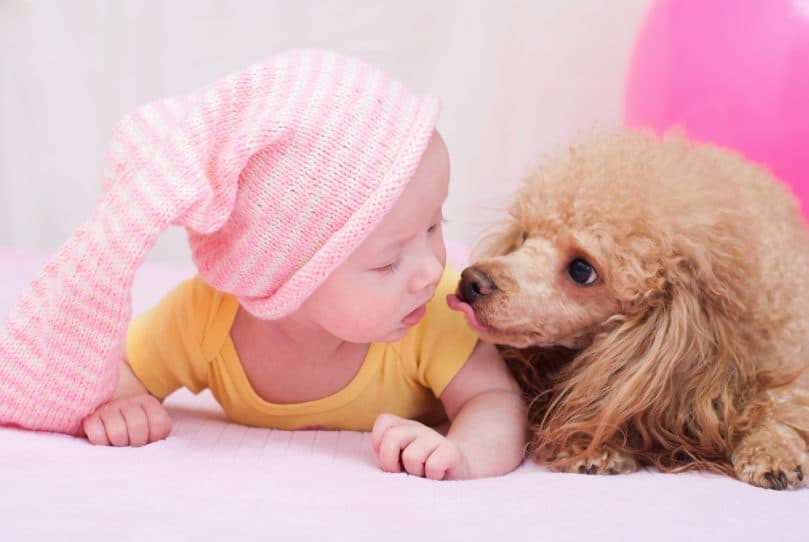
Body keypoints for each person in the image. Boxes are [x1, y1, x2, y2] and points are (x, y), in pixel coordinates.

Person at [0, 50, 526, 480]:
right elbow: (124, 370)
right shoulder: (207, 318)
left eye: (435, 226)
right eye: (389, 261)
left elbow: (494, 400)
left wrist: (464, 455)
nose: (431, 268)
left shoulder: (431, 310)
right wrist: (126, 403)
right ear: (288, 282)